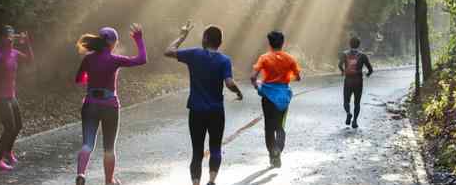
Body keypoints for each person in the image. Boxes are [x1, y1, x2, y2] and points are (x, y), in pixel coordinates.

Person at [164, 21, 243, 185]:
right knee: (215, 148)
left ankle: (196, 183)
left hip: (196, 110)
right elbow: (229, 83)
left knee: (197, 151)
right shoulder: (224, 60)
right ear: (220, 42)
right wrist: (238, 92)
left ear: (206, 38)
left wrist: (181, 36)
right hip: (216, 112)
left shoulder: (194, 54)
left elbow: (169, 51)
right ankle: (212, 180)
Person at [74, 24, 147, 185]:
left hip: (90, 104)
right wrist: (139, 39)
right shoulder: (115, 60)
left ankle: (81, 174)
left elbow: (78, 79)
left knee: (87, 144)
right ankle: (109, 181)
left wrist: (91, 78)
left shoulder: (88, 58)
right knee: (109, 147)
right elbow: (142, 59)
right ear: (113, 43)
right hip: (110, 106)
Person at [250, 31, 301, 168]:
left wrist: (257, 86)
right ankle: (278, 149)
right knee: (280, 126)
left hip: (267, 96)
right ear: (282, 43)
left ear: (269, 43)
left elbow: (253, 77)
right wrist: (286, 78)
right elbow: (298, 76)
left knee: (268, 127)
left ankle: (273, 155)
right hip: (283, 97)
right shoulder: (289, 59)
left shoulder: (264, 58)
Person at [0, 25, 34, 170]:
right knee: (9, 127)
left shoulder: (14, 52)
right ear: (2, 38)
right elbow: (0, 63)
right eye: (7, 36)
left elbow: (30, 60)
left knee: (18, 126)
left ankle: (8, 152)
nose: (10, 38)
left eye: (12, 35)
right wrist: (7, 46)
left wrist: (27, 42)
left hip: (11, 95)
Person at [338, 36, 373, 129]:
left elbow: (339, 65)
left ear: (350, 44)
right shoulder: (363, 56)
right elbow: (370, 69)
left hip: (348, 81)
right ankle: (355, 121)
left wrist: (342, 71)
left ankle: (348, 113)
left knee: (346, 101)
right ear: (359, 45)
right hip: (358, 81)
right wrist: (367, 75)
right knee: (357, 103)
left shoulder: (344, 54)